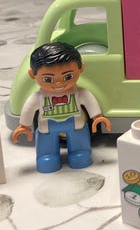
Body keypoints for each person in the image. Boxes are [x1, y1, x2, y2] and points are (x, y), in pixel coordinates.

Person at [12, 42, 111, 173]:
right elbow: (29, 108)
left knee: (79, 146)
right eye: (48, 79)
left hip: (75, 125)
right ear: (32, 74)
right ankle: (47, 156)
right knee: (47, 149)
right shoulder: (38, 97)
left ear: (81, 68)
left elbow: (89, 101)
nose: (59, 83)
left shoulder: (80, 92)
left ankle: (80, 152)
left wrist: (97, 117)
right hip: (47, 127)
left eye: (67, 76)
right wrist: (24, 126)